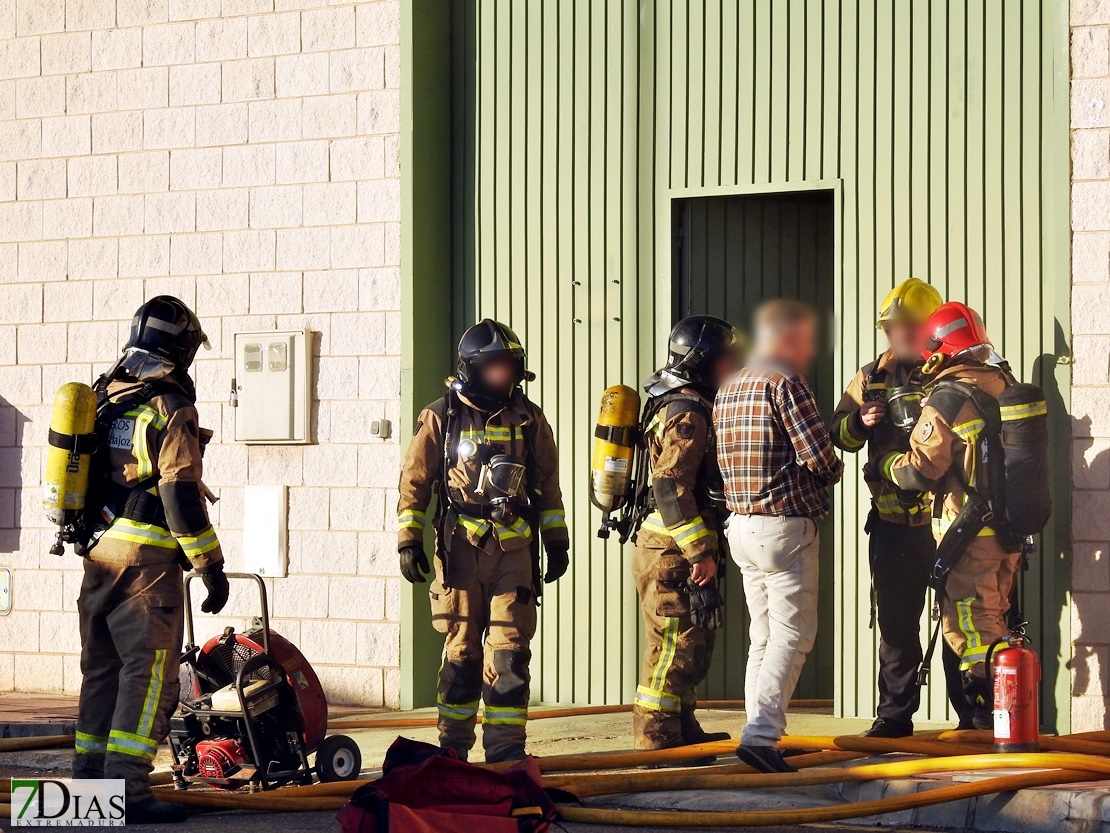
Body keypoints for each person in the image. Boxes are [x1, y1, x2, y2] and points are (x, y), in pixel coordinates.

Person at [73, 296, 228, 825]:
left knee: (102, 672)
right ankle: (130, 792)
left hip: (99, 554)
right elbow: (180, 494)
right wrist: (209, 563)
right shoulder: (169, 404)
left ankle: (89, 788)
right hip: (146, 563)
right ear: (180, 347)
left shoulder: (106, 394)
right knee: (149, 676)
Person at [396, 319, 569, 763]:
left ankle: (507, 756)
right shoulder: (440, 416)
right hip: (461, 546)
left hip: (515, 548)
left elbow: (547, 482)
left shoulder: (529, 417)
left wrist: (555, 537)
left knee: (511, 652)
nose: (504, 375)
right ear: (473, 368)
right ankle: (453, 752)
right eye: (494, 367)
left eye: (509, 367)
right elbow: (415, 482)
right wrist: (409, 539)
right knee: (462, 653)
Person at [829, 279, 970, 737]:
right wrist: (858, 420)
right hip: (893, 526)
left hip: (949, 526)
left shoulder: (948, 373)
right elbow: (837, 437)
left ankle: (972, 718)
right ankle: (894, 718)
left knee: (958, 621)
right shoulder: (870, 378)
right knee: (896, 625)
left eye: (909, 328)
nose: (899, 337)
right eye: (892, 329)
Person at [876, 302, 1020, 729]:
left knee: (971, 631)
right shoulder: (1002, 383)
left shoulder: (949, 396)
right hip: (1009, 533)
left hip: (970, 536)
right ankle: (1000, 725)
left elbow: (921, 471)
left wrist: (884, 463)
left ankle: (991, 725)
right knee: (994, 617)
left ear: (940, 348)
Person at [714, 299, 843, 774]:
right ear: (787, 339)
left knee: (763, 636)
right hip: (785, 526)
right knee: (793, 635)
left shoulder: (730, 386)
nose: (808, 351)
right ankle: (762, 736)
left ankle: (758, 730)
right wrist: (837, 463)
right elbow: (818, 457)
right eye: (806, 341)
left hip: (741, 527)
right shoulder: (784, 381)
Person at [630, 316, 745, 753]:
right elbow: (670, 485)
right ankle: (657, 740)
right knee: (672, 647)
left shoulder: (684, 400)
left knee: (690, 641)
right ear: (702, 363)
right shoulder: (688, 413)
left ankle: (681, 727)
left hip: (675, 549)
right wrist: (700, 551)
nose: (731, 365)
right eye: (724, 358)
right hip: (674, 552)